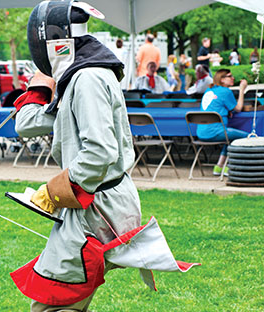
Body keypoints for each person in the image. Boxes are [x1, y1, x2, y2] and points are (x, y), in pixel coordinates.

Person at [11, 2, 197, 310]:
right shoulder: (81, 75)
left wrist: (54, 192)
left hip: (97, 205)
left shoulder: (89, 78)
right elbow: (28, 123)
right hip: (97, 201)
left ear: (55, 42)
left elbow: (99, 151)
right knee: (64, 301)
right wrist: (40, 89)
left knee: (54, 304)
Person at [197, 69, 248, 176]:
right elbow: (238, 108)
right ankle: (230, 167)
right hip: (215, 132)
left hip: (201, 133)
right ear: (222, 79)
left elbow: (215, 105)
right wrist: (241, 90)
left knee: (230, 138)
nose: (233, 78)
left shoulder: (209, 90)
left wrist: (226, 110)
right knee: (249, 137)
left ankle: (219, 166)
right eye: (230, 76)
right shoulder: (226, 91)